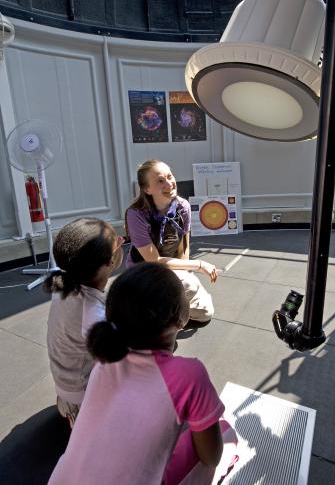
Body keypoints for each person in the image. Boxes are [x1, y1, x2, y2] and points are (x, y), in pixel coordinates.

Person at [48, 262, 238, 485]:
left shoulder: (104, 361)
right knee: (226, 433)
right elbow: (211, 456)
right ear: (180, 318)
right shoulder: (190, 375)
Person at [45, 217, 124, 427]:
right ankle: (76, 417)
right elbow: (121, 361)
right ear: (111, 261)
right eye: (119, 241)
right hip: (81, 397)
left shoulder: (64, 284)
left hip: (68, 382)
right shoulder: (92, 315)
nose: (122, 240)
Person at [125, 159, 217, 324]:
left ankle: (165, 308)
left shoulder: (183, 207)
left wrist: (184, 272)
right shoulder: (136, 215)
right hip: (144, 271)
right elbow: (154, 261)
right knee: (188, 284)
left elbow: (184, 246)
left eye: (170, 176)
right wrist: (199, 265)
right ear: (147, 189)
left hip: (170, 268)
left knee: (205, 313)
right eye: (160, 181)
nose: (169, 183)